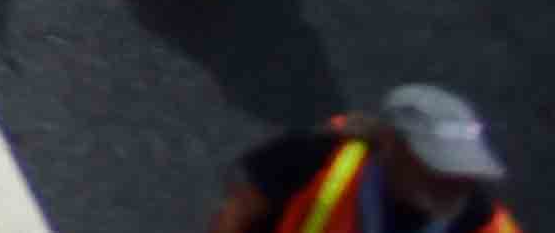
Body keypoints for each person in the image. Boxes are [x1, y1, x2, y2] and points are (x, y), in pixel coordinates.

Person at [209, 90, 510, 233]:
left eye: (464, 169)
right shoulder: (315, 157)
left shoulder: (473, 213)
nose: (455, 186)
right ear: (393, 147)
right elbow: (239, 211)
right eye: (440, 167)